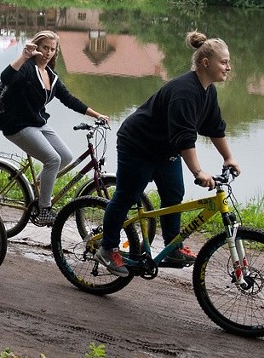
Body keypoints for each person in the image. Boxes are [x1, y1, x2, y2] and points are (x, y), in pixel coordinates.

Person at [95, 31, 241, 277]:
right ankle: (107, 247)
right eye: (224, 62)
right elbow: (184, 138)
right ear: (206, 63)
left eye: (228, 62)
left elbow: (214, 127)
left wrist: (228, 157)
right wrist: (198, 171)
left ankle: (172, 248)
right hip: (138, 145)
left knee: (173, 195)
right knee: (127, 196)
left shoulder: (207, 91)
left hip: (165, 150)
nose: (228, 67)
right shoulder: (185, 92)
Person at [0, 30, 110, 227]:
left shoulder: (51, 75)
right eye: (45, 48)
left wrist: (97, 114)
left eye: (52, 49)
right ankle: (44, 210)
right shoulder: (27, 69)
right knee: (53, 159)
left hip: (38, 123)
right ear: (37, 48)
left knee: (65, 158)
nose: (48, 52)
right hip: (17, 125)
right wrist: (24, 56)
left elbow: (69, 100)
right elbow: (6, 77)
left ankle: (35, 187)